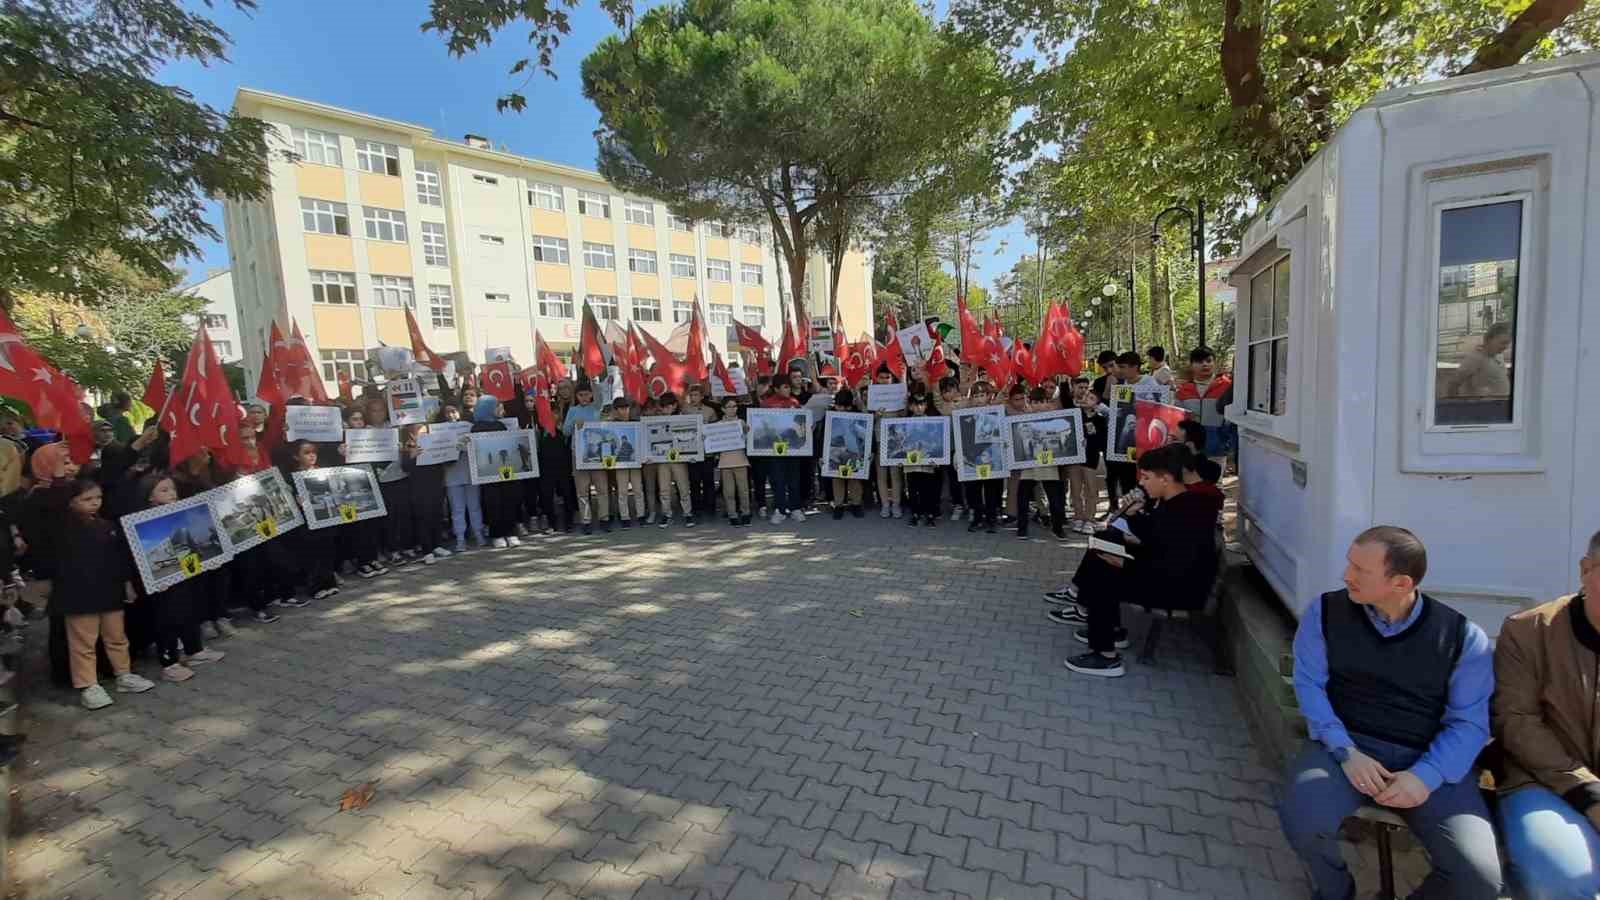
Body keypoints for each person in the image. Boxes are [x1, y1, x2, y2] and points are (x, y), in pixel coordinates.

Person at [1277, 526, 1501, 900]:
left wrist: (1424, 777)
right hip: (1347, 747)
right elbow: (1310, 685)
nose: (1346, 575)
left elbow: (1469, 723)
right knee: (1302, 818)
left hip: (1428, 759)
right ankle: (1336, 892)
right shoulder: (1325, 611)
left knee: (1478, 876)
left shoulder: (1463, 637)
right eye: (1349, 563)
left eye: (1360, 570)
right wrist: (1345, 751)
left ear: (1400, 583)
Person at [1491, 530, 1600, 899]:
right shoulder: (1528, 630)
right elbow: (1517, 722)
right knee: (1564, 879)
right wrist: (1589, 791)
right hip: (1543, 782)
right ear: (1586, 569)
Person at [1049, 445, 1221, 677]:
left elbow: (1176, 564)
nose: (1143, 482)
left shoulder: (1187, 510)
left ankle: (1105, 656)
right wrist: (1133, 515)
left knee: (1105, 573)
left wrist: (1125, 563)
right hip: (1168, 578)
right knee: (1105, 543)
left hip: (1178, 590)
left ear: (1166, 479)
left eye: (1148, 477)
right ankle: (1110, 630)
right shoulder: (1178, 502)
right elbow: (1156, 538)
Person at [46, 478, 156, 708]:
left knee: (117, 636)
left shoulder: (107, 526)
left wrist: (126, 584)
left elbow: (119, 559)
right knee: (83, 642)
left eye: (98, 498)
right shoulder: (62, 526)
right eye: (87, 499)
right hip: (77, 594)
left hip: (109, 590)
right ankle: (88, 685)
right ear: (71, 502)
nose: (94, 503)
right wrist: (57, 476)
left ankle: (123, 674)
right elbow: (53, 502)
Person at [1175, 347, 1234, 460]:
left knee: (1213, 477)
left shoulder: (1228, 387)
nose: (1205, 364)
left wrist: (1226, 440)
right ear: (1191, 365)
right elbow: (1178, 420)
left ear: (1214, 363)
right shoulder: (1182, 391)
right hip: (1190, 450)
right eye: (1199, 362)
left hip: (1218, 449)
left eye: (1208, 361)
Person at [1066, 378, 1106, 533]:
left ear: (1096, 403)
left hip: (1091, 457)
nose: (1085, 397)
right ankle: (1078, 517)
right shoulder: (1075, 414)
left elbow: (1101, 440)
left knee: (1091, 488)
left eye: (1091, 398)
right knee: (1075, 489)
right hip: (1075, 457)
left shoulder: (1100, 419)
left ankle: (1090, 519)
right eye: (1085, 395)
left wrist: (1090, 440)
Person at [1443, 322, 1513, 400]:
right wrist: (1455, 406)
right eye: (1503, 343)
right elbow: (1453, 383)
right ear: (1489, 339)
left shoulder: (1498, 355)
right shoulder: (1475, 358)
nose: (1506, 347)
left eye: (1508, 343)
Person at [870, 366, 904, 520]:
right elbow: (867, 419)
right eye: (882, 377)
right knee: (881, 473)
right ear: (876, 378)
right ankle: (885, 504)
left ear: (892, 378)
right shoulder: (872, 395)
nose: (884, 380)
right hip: (879, 438)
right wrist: (876, 415)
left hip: (896, 439)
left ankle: (896, 504)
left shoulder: (898, 394)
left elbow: (904, 414)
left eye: (887, 377)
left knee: (895, 474)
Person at [827, 389, 865, 519]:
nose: (842, 409)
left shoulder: (859, 416)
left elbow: (865, 436)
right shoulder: (830, 416)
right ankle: (838, 506)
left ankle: (856, 505)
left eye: (846, 406)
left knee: (855, 478)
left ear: (851, 405)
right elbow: (823, 438)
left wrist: (867, 453)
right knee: (837, 477)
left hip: (854, 452)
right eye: (839, 406)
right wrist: (822, 456)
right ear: (835, 404)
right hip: (836, 452)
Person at [716, 397, 752, 526]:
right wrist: (707, 438)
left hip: (740, 460)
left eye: (735, 406)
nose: (733, 409)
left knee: (743, 490)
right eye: (730, 406)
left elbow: (748, 441)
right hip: (725, 462)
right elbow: (713, 442)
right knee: (728, 491)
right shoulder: (718, 425)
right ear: (723, 409)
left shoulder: (742, 422)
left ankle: (746, 513)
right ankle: (732, 514)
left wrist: (748, 433)